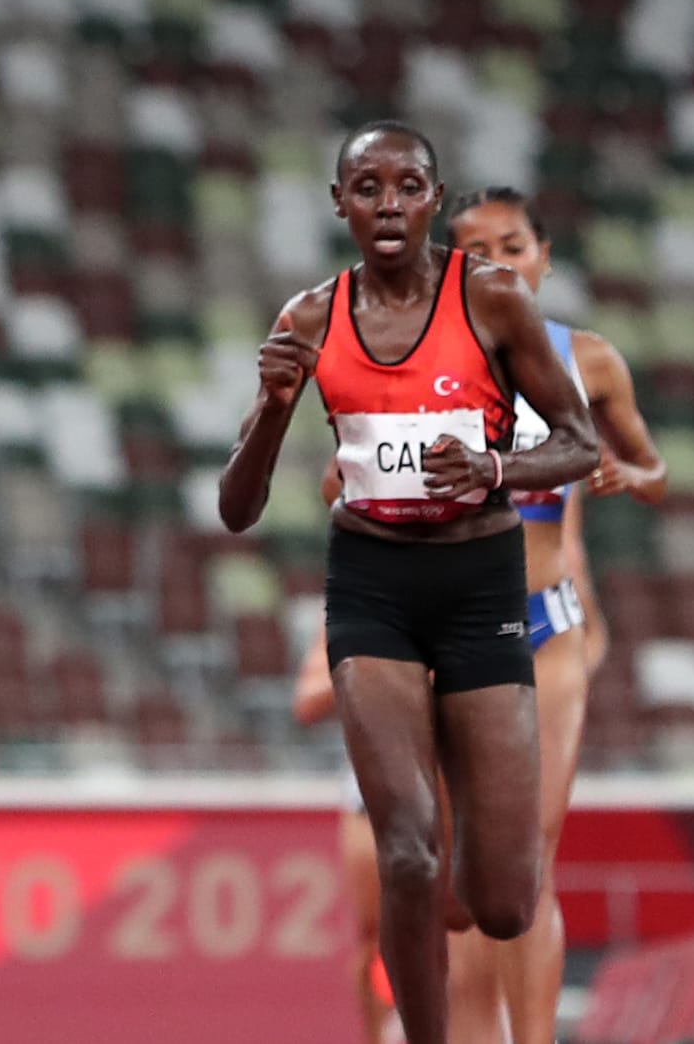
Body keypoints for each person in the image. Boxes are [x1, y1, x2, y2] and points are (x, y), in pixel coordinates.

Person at [217, 122, 598, 1044]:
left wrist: (493, 471)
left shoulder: (494, 301)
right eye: (367, 186)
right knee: (408, 850)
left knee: (500, 902)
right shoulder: (309, 317)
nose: (388, 204)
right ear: (340, 204)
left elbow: (580, 444)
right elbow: (238, 507)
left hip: (478, 584)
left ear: (434, 199)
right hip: (373, 586)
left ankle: (478, 848)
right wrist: (273, 410)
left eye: (409, 186)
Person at [441, 187, 666, 1044]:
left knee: (527, 863)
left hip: (547, 628)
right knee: (465, 882)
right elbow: (332, 481)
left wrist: (622, 475)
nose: (501, 261)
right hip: (449, 628)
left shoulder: (591, 361)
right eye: (478, 249)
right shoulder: (413, 361)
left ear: (544, 256)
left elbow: (656, 473)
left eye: (515, 244)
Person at [295, 622, 396, 1044]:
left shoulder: (462, 591)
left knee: (461, 930)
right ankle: (378, 1033)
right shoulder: (350, 610)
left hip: (452, 781)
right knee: (373, 936)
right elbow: (307, 702)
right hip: (374, 789)